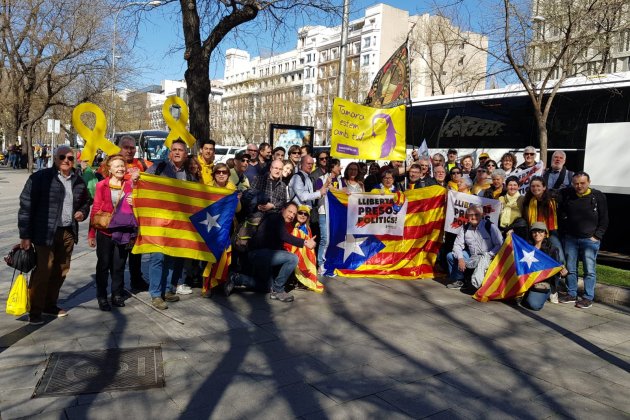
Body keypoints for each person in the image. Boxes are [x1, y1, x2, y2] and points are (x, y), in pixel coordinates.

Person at [18, 146, 90, 325]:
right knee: (43, 271)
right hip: (44, 232)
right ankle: (35, 310)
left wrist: (82, 212)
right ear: (55, 158)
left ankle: (50, 305)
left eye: (70, 158)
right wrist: (25, 235)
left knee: (61, 270)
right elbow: (26, 206)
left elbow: (86, 202)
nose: (66, 160)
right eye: (62, 157)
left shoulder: (79, 181)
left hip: (67, 232)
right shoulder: (40, 178)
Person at [225, 202, 317, 302]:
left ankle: (236, 278)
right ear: (283, 210)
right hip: (258, 254)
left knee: (267, 286)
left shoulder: (274, 219)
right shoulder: (277, 218)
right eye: (290, 212)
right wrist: (305, 242)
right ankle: (278, 290)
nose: (291, 215)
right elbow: (284, 236)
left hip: (260, 256)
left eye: (294, 214)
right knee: (293, 258)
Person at [146, 139, 195, 309]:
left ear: (185, 154)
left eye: (180, 150)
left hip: (177, 223)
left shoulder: (189, 175)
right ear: (169, 152)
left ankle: (167, 289)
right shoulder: (157, 168)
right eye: (174, 149)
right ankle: (155, 294)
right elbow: (143, 182)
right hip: (158, 221)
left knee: (172, 257)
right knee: (157, 257)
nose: (176, 152)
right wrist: (137, 178)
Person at [88, 155, 136, 311]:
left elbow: (137, 209)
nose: (121, 168)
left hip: (123, 232)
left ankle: (116, 294)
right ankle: (102, 296)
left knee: (119, 265)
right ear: (109, 169)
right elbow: (95, 209)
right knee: (103, 265)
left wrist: (134, 203)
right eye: (117, 166)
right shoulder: (102, 185)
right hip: (105, 232)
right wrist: (91, 234)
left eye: (122, 165)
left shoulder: (129, 185)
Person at [558, 172, 608, 308]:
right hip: (571, 239)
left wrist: (597, 236)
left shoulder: (598, 196)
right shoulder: (568, 194)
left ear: (589, 182)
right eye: (576, 183)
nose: (579, 186)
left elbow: (604, 219)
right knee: (571, 268)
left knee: (589, 270)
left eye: (582, 183)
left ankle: (587, 297)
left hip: (590, 240)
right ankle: (571, 293)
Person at [118, 135, 151, 292]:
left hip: (139, 216)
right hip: (120, 215)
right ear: (119, 148)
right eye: (126, 147)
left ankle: (136, 280)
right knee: (120, 253)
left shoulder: (142, 164)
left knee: (136, 251)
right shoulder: (111, 164)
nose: (130, 150)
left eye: (132, 147)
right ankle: (117, 286)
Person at [201, 163, 239, 297]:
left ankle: (219, 282)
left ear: (228, 175)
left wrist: (237, 199)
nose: (221, 174)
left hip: (227, 227)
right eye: (218, 172)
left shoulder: (232, 187)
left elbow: (238, 209)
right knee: (210, 256)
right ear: (214, 174)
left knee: (223, 255)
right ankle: (206, 285)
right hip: (210, 226)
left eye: (224, 172)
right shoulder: (208, 188)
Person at [446, 205, 502, 291]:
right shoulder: (465, 228)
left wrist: (488, 255)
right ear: (467, 216)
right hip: (473, 256)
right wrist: (460, 259)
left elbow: (500, 244)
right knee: (450, 256)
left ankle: (474, 282)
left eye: (477, 214)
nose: (473, 217)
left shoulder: (490, 226)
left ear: (482, 215)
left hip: (489, 257)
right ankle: (460, 281)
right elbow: (457, 245)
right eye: (471, 215)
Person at [521, 222, 568, 311]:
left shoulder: (552, 249)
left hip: (543, 282)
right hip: (526, 280)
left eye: (540, 231)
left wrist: (564, 272)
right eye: (534, 231)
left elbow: (556, 268)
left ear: (545, 233)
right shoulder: (526, 247)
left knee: (534, 305)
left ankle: (551, 292)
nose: (537, 234)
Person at [521, 176, 564, 264]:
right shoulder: (528, 201)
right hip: (534, 233)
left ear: (544, 187)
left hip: (551, 232)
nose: (535, 188)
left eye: (538, 186)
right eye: (533, 186)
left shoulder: (553, 200)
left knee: (560, 258)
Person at [284, 204, 324, 292]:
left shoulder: (308, 228)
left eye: (305, 214)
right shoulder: (292, 225)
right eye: (300, 213)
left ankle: (301, 280)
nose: (303, 215)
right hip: (290, 251)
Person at [314, 159, 341, 273]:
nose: (341, 168)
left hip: (336, 214)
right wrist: (326, 185)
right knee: (325, 239)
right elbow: (317, 194)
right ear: (333, 167)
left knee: (334, 239)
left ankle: (330, 261)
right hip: (324, 213)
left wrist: (334, 189)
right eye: (339, 166)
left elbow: (344, 191)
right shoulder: (321, 179)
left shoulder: (340, 180)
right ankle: (321, 263)